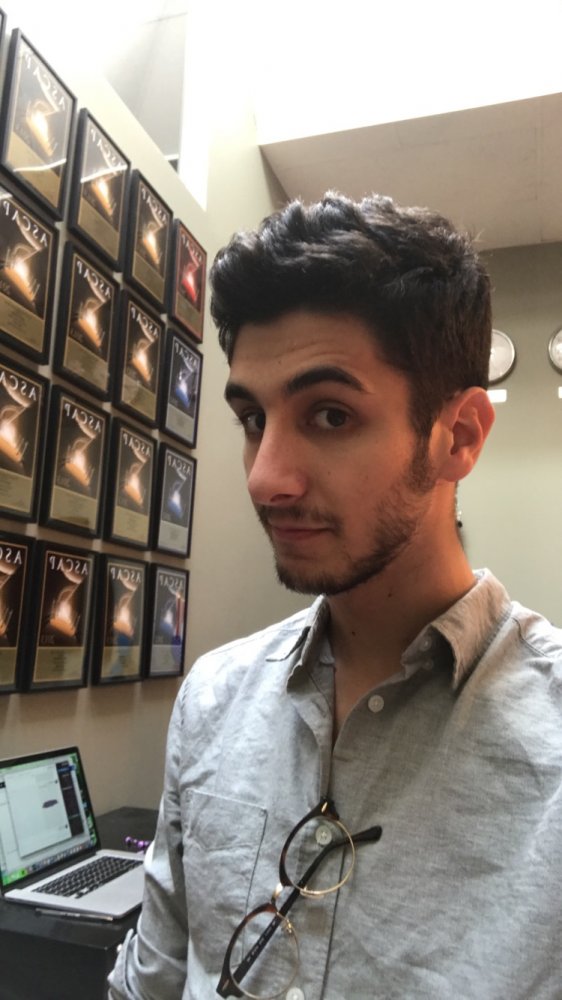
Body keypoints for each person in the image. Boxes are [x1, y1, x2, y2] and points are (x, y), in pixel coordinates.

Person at [108, 193, 562, 1000]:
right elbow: (153, 979)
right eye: (253, 418)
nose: (265, 479)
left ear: (459, 436)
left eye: (329, 414)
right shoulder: (212, 699)